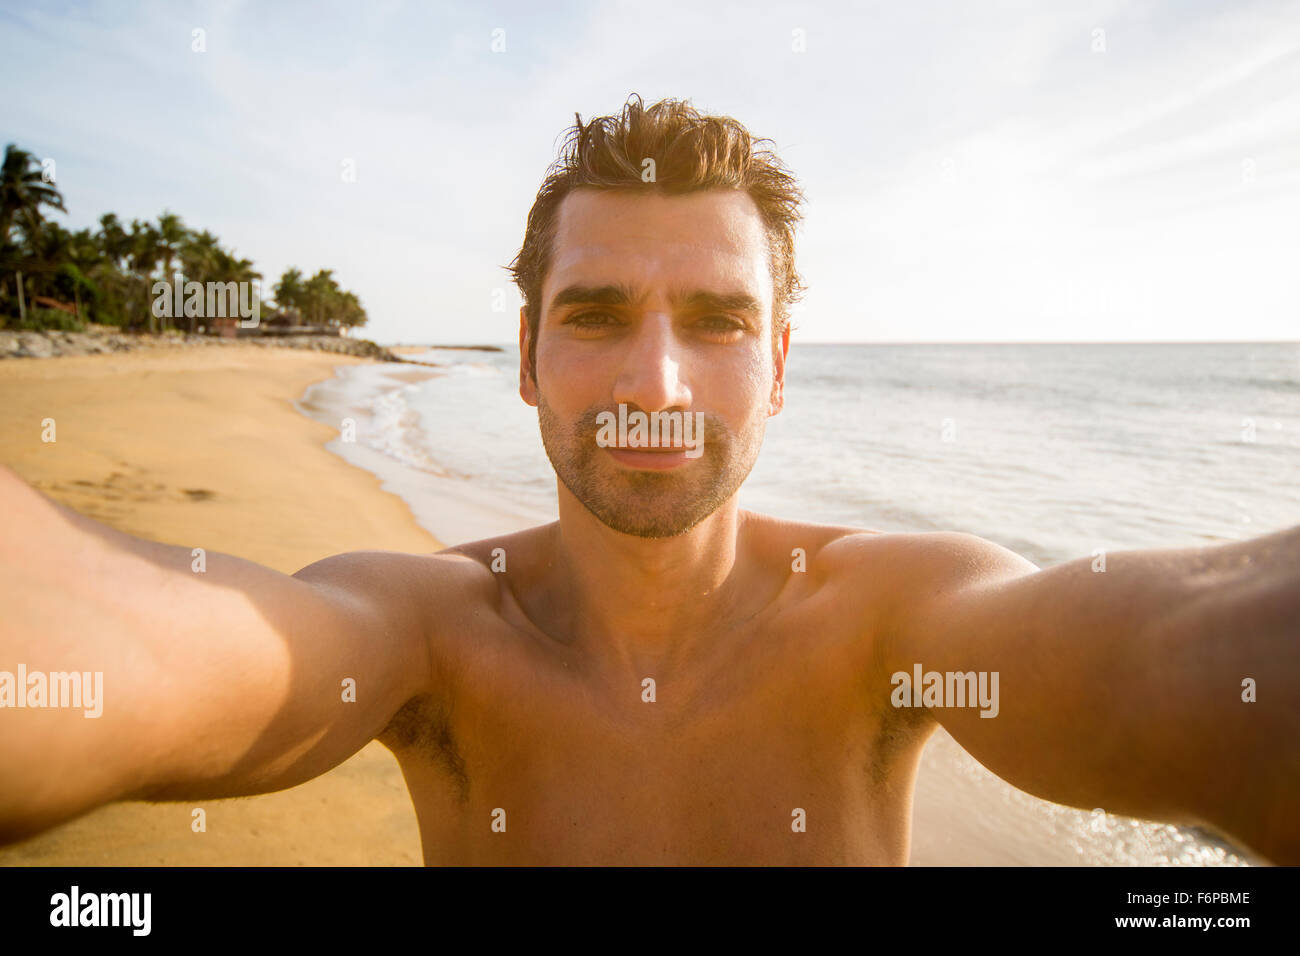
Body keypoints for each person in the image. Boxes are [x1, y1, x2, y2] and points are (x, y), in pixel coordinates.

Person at [1, 94, 1296, 865]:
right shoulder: (427, 633)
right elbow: (162, 642)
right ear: (524, 354)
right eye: (598, 312)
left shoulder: (894, 620)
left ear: (780, 365)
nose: (657, 384)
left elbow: (1148, 647)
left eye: (721, 323)